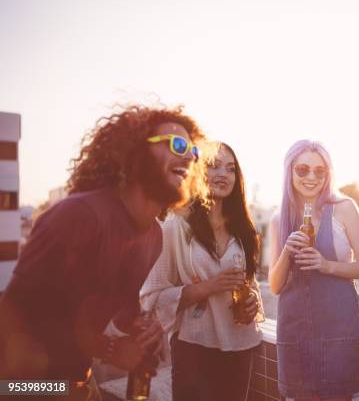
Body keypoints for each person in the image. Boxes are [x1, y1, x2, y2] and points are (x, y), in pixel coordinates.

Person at [0, 105, 206, 400]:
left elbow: (117, 310)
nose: (189, 156)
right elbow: (11, 314)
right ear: (137, 153)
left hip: (76, 383)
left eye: (193, 151)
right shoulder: (80, 215)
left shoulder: (153, 235)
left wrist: (141, 326)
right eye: (178, 144)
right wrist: (109, 350)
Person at [140, 142, 263, 401]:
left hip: (242, 345)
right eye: (214, 166)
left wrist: (253, 301)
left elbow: (250, 284)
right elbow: (152, 297)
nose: (223, 174)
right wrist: (209, 286)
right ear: (197, 172)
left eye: (230, 169)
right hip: (194, 347)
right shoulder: (175, 227)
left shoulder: (245, 231)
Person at [268, 139, 359, 401]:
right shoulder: (279, 220)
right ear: (289, 171)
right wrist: (288, 251)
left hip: (338, 331)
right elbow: (275, 285)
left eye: (319, 171)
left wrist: (327, 265)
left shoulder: (344, 208)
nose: (311, 177)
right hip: (295, 334)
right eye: (302, 169)